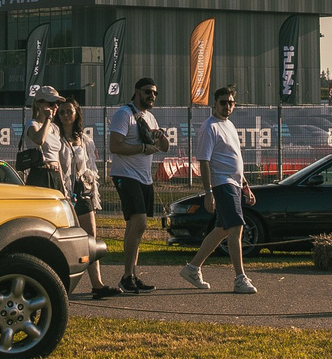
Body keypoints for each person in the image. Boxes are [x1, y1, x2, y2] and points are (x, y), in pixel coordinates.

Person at [183, 86, 257, 293]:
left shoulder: (229, 125)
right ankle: (240, 278)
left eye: (231, 102)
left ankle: (192, 268)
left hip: (234, 183)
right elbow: (204, 162)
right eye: (223, 102)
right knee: (236, 228)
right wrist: (208, 192)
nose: (227, 106)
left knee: (221, 230)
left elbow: (235, 159)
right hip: (222, 184)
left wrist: (245, 186)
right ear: (214, 104)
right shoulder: (210, 127)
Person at [105, 77, 170, 293]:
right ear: (136, 92)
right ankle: (127, 275)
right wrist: (142, 149)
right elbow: (115, 145)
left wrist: (160, 136)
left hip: (144, 177)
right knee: (139, 222)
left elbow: (164, 148)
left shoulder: (150, 117)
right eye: (147, 92)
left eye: (154, 93)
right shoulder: (124, 114)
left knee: (136, 227)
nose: (151, 96)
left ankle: (130, 275)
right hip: (126, 174)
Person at [55, 94, 116, 298]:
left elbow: (90, 168)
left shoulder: (84, 139)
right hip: (63, 193)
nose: (65, 115)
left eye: (69, 111)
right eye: (61, 112)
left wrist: (90, 188)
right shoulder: (55, 137)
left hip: (83, 193)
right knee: (64, 240)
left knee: (90, 239)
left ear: (76, 113)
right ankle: (60, 285)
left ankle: (97, 284)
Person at [17, 87, 64, 190]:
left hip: (55, 173)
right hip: (40, 173)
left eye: (57, 103)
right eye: (51, 103)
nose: (55, 107)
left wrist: (63, 184)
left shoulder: (55, 128)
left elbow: (57, 157)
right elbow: (39, 140)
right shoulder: (33, 124)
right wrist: (48, 119)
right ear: (39, 104)